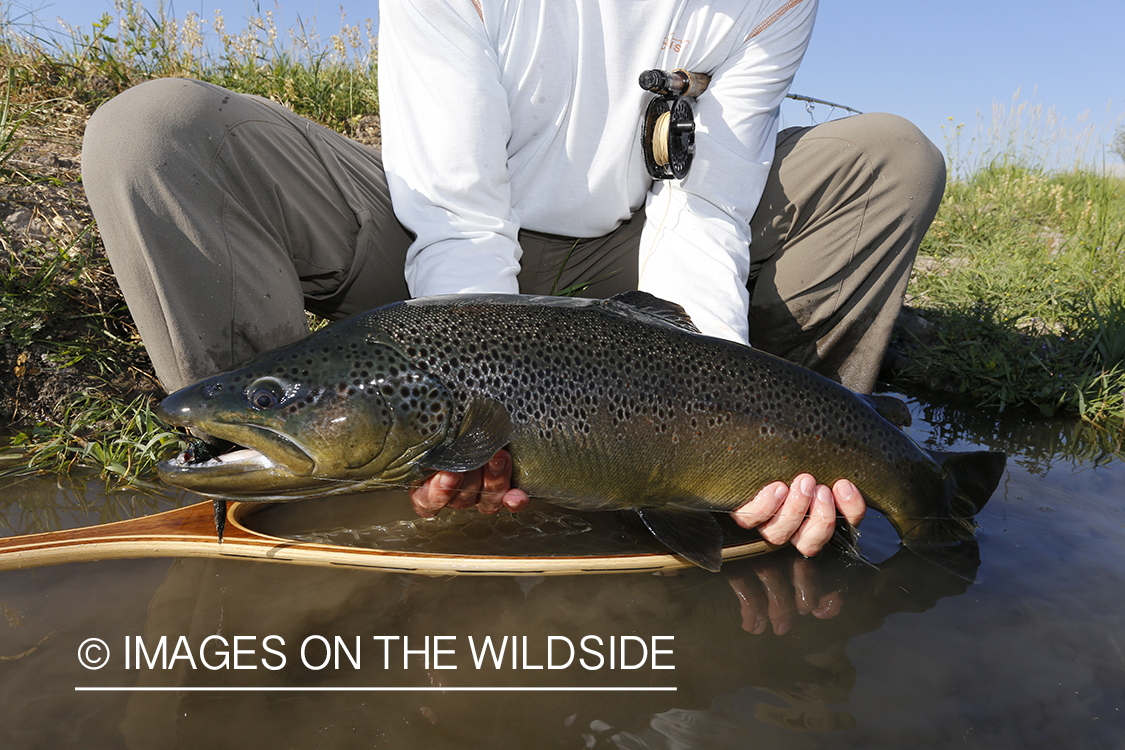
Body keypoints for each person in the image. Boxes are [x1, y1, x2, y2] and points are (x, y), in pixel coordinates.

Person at [81, 0, 945, 557]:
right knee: (155, 131)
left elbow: (706, 211)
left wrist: (709, 409)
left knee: (889, 160)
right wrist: (467, 414)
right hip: (431, 235)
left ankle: (808, 470)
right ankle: (270, 455)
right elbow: (458, 214)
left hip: (626, 251)